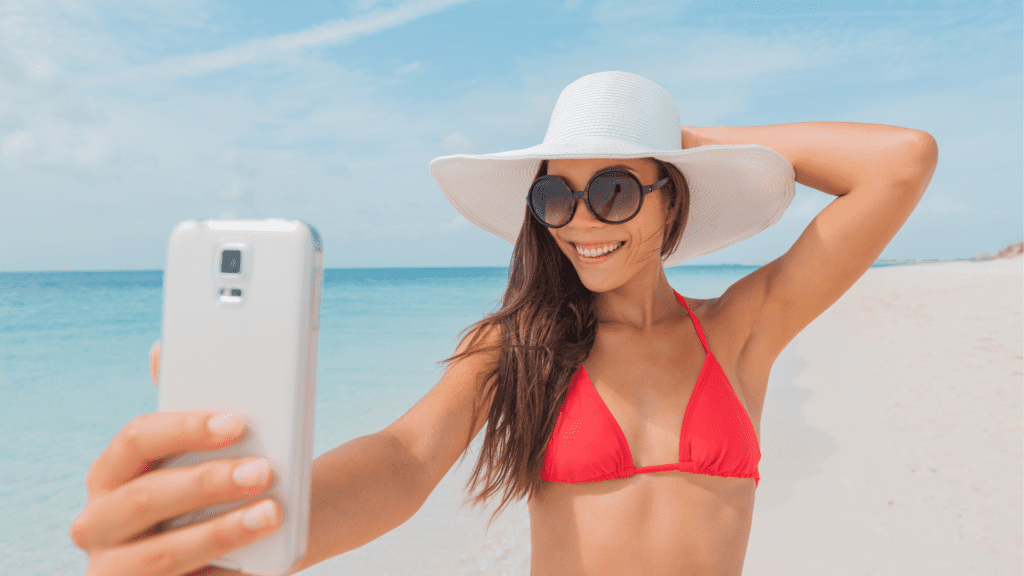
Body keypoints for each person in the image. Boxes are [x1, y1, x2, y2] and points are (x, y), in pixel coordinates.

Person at [69, 71, 938, 576]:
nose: (581, 223)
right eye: (557, 194)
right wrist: (250, 538)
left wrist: (688, 138)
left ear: (672, 197)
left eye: (614, 189)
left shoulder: (740, 329)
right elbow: (405, 459)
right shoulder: (518, 346)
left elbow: (901, 162)